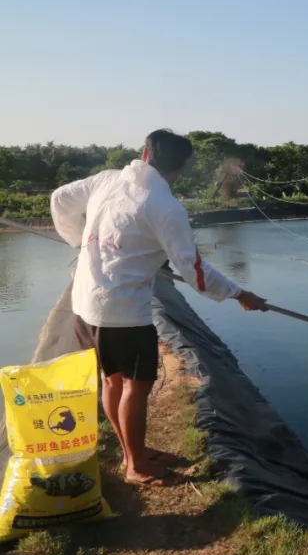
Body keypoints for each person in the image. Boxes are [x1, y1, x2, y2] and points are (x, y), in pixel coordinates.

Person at [50, 129, 268, 487]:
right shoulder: (165, 206)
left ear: (144, 152)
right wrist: (239, 293)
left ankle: (131, 452)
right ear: (181, 168)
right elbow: (194, 271)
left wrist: (78, 239)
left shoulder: (107, 180)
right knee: (136, 388)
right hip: (123, 312)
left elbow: (60, 199)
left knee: (112, 381)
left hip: (85, 303)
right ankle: (136, 465)